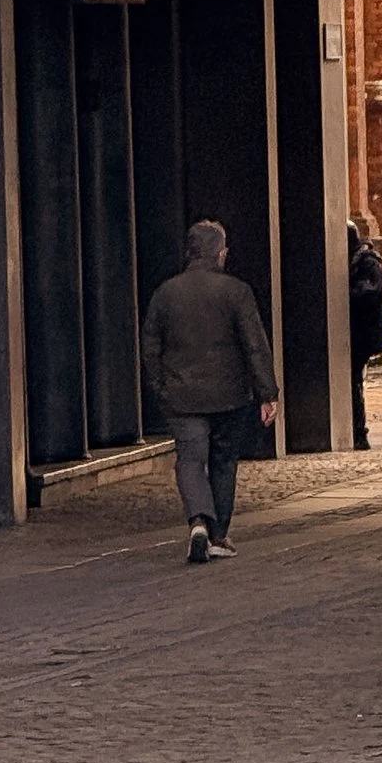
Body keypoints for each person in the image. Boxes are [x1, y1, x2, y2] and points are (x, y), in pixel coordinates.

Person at [140, 221, 276, 565]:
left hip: (182, 395)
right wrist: (267, 392)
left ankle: (198, 522)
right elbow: (255, 346)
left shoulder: (165, 293)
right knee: (223, 460)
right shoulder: (236, 291)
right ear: (221, 252)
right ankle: (218, 536)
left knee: (189, 459)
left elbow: (150, 347)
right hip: (230, 395)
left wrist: (161, 386)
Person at [346, 214, 382, 453]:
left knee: (353, 382)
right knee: (353, 382)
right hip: (354, 331)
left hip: (361, 332)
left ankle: (359, 432)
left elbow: (370, 291)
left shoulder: (367, 261)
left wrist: (346, 290)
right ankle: (356, 431)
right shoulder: (357, 260)